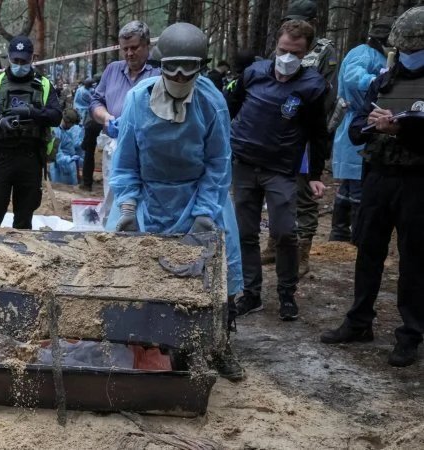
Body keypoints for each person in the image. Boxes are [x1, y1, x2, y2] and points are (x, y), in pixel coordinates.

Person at [110, 23, 245, 381]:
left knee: (217, 266)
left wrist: (203, 212)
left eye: (190, 68)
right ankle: (142, 341)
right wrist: (126, 206)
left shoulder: (212, 102)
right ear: (161, 64)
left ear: (200, 67)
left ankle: (217, 344)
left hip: (199, 194)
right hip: (146, 195)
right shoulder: (138, 100)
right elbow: (124, 162)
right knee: (129, 263)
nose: (181, 76)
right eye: (173, 68)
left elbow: (218, 164)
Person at [320, 6, 424, 367]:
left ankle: (410, 335)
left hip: (416, 182)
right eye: (403, 48)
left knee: (413, 259)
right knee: (368, 251)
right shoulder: (387, 78)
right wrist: (370, 126)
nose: (408, 55)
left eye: (414, 48)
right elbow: (358, 121)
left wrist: (403, 128)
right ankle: (359, 321)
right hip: (378, 175)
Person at [227, 20, 329, 321]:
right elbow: (229, 107)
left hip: (281, 170)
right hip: (244, 164)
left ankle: (286, 294)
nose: (287, 57)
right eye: (283, 50)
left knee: (285, 232)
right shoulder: (253, 74)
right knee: (245, 232)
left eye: (295, 53)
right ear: (276, 46)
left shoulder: (313, 87)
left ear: (306, 53)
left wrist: (314, 176)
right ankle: (252, 293)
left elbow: (318, 134)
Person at [259, 0, 339, 275]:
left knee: (304, 194)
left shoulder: (325, 52)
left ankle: (302, 253)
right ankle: (273, 244)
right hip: (276, 134)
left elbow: (327, 97)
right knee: (275, 191)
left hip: (304, 135)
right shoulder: (278, 49)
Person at [0, 36, 62, 229]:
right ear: (9, 58)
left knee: (24, 217)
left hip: (30, 157)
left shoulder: (45, 85)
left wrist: (33, 113)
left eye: (24, 61)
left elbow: (56, 116)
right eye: (15, 61)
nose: (19, 65)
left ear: (32, 59)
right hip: (0, 156)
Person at [329, 17, 394, 242]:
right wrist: (380, 79)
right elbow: (353, 77)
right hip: (358, 120)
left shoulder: (378, 55)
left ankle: (339, 230)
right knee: (356, 179)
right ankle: (354, 232)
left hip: (364, 120)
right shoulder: (363, 53)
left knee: (350, 181)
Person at [90, 21, 161, 198]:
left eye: (134, 48)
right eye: (125, 49)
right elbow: (96, 101)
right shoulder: (112, 70)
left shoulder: (159, 73)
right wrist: (106, 117)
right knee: (112, 198)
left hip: (147, 149)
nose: (129, 53)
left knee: (142, 198)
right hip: (114, 145)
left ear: (147, 45)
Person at [50, 109, 83, 185]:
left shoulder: (66, 131)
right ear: (68, 122)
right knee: (63, 190)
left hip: (69, 164)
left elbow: (72, 145)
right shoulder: (56, 131)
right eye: (72, 124)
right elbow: (56, 153)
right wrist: (68, 159)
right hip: (60, 167)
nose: (72, 126)